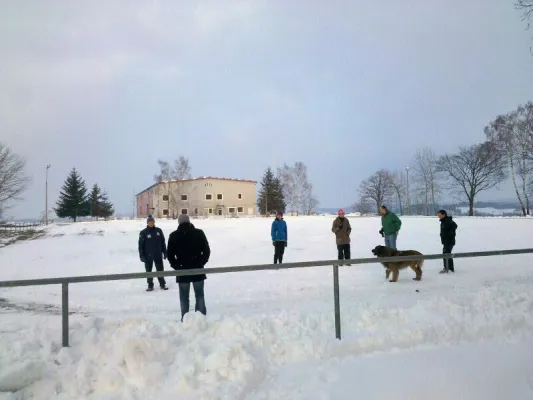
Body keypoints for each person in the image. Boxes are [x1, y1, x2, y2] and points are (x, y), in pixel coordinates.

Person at [167, 214, 211, 321]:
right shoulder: (198, 233)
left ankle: (185, 319)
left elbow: (170, 255)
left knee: (184, 297)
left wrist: (177, 266)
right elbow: (206, 250)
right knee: (199, 295)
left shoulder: (174, 235)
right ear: (189, 221)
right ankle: (201, 319)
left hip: (182, 271)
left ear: (179, 222)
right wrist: (201, 263)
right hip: (197, 269)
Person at [138, 215, 168, 291]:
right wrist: (141, 255)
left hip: (158, 254)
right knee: (148, 271)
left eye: (152, 222)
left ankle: (162, 284)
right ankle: (150, 285)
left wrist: (165, 252)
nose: (151, 223)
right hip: (148, 255)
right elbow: (140, 245)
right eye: (149, 222)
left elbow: (163, 242)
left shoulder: (159, 231)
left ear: (154, 222)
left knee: (160, 270)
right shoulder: (143, 232)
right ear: (147, 223)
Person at [438, 209, 458, 273]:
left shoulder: (448, 220)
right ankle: (448, 268)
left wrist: (450, 234)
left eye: (440, 215)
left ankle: (449, 268)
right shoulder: (443, 221)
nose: (439, 216)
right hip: (446, 242)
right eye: (438, 215)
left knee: (447, 254)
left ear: (444, 214)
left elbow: (455, 226)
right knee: (445, 253)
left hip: (449, 241)